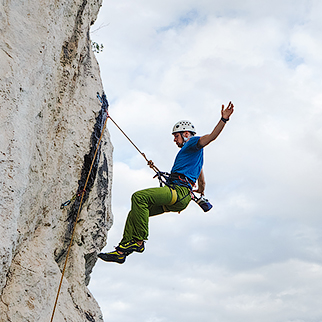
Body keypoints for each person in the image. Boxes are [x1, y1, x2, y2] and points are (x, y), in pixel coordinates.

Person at [98, 102, 235, 264]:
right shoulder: (194, 156)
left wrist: (223, 119)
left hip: (178, 192)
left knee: (139, 197)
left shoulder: (193, 143)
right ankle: (121, 251)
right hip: (181, 198)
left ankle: (139, 241)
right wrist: (200, 190)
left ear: (185, 134)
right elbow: (202, 180)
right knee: (135, 213)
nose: (174, 140)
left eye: (176, 136)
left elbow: (211, 137)